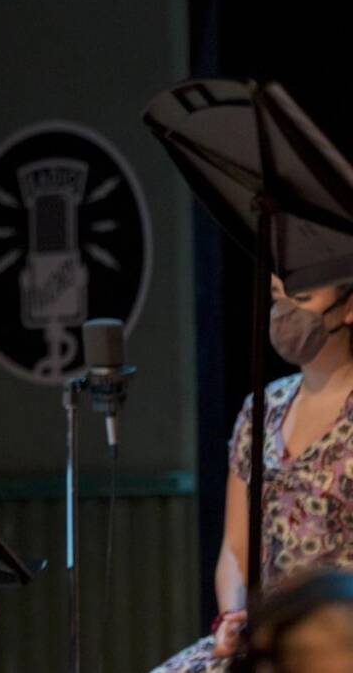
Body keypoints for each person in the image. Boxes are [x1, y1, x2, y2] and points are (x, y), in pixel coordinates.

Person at [153, 276, 353, 672]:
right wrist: (234, 617)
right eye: (278, 298)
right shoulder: (261, 409)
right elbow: (235, 549)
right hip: (267, 633)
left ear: (348, 308)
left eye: (302, 298)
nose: (284, 312)